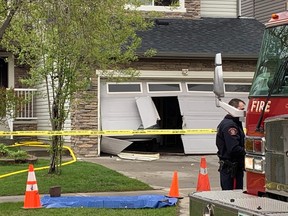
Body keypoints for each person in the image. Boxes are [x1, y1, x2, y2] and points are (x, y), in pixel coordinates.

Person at [216, 98, 246, 190]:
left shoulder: (234, 123)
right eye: (241, 109)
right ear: (233, 109)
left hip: (233, 168)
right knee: (233, 196)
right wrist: (248, 152)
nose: (244, 112)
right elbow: (234, 149)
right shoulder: (230, 126)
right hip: (232, 170)